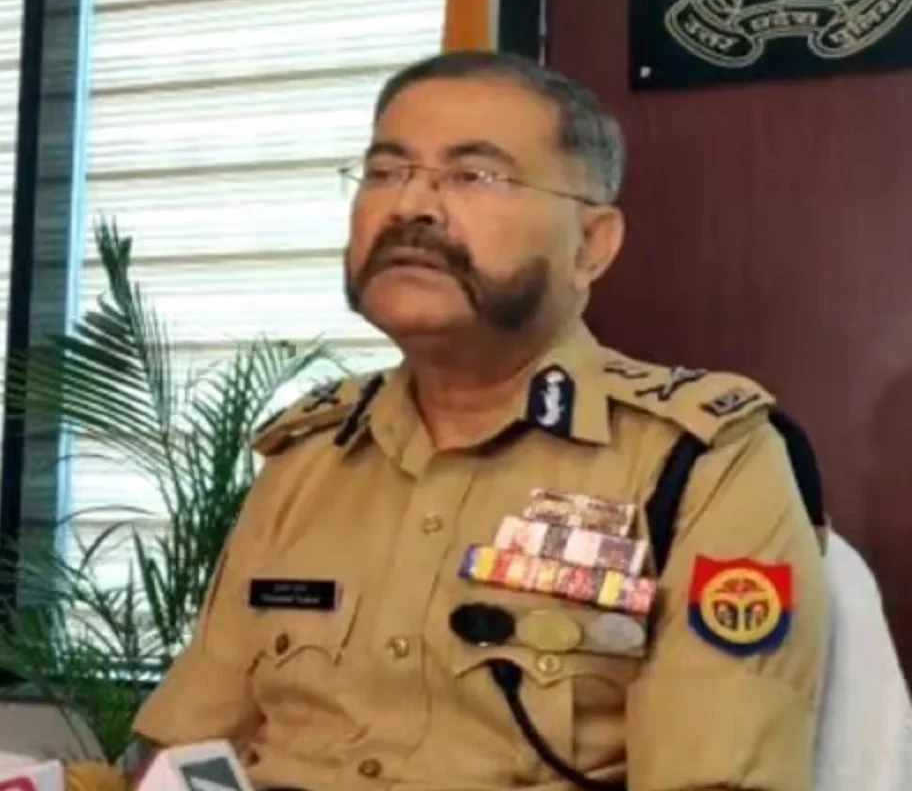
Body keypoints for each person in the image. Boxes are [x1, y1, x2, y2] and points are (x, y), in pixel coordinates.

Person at [121, 50, 829, 791]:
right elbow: (184, 751)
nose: (409, 207)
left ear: (591, 245)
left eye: (474, 176)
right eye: (385, 171)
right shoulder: (309, 457)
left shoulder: (703, 461)